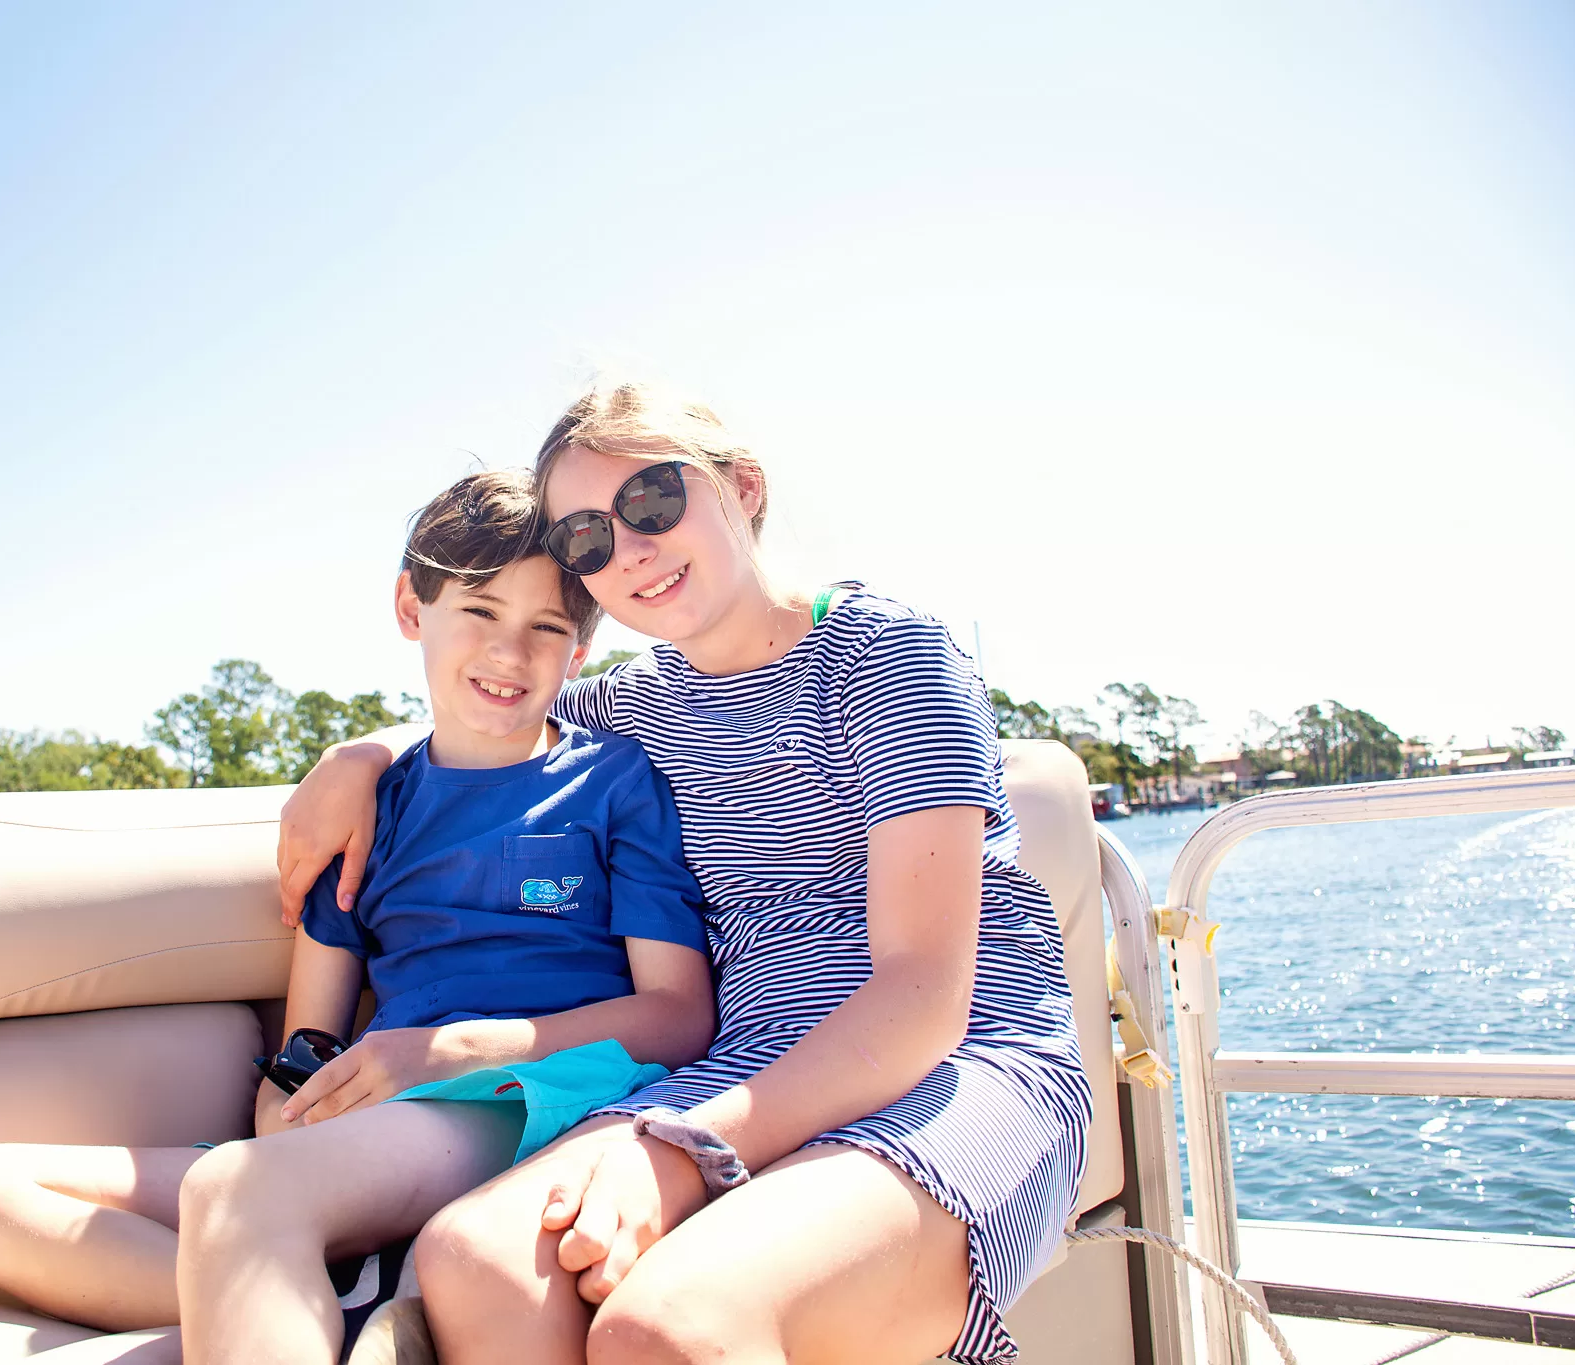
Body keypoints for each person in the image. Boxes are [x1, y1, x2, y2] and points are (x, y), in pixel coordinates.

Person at [276, 385, 1091, 1365]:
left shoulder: (887, 655)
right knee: (474, 1261)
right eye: (584, 538)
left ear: (741, 489)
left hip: (956, 1067)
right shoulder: (625, 713)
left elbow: (922, 994)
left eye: (654, 503)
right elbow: (483, 713)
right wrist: (353, 759)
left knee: (665, 1326)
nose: (628, 549)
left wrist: (678, 1145)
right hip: (736, 1065)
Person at [0, 469, 714, 1365]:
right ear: (410, 609)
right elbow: (308, 1039)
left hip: (529, 1100)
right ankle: (315, 1297)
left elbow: (679, 1016)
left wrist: (458, 1049)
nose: (511, 652)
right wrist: (287, 1102)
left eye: (548, 628)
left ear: (578, 653)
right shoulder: (367, 808)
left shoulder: (615, 784)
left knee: (239, 1189)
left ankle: (281, 1266)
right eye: (481, 612)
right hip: (368, 1122)